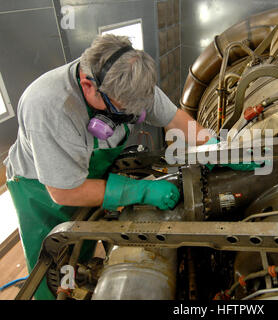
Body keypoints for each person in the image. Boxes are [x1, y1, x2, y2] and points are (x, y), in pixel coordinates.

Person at [3, 35, 220, 300]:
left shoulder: (131, 80)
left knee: (79, 248)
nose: (132, 118)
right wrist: (140, 191)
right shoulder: (48, 107)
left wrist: (217, 148)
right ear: (88, 86)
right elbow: (64, 193)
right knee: (51, 264)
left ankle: (77, 285)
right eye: (122, 112)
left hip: (88, 176)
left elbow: (174, 119)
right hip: (40, 192)